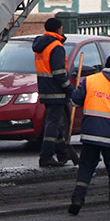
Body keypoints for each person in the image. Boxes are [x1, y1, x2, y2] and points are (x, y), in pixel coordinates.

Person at [68, 53, 110, 216]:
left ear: (105, 65)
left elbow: (74, 101)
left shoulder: (91, 80)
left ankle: (77, 199)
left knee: (86, 168)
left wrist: (77, 90)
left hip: (90, 134)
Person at [32, 18, 74, 168]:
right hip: (56, 91)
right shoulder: (56, 46)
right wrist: (71, 90)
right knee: (52, 123)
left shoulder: (41, 45)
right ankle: (46, 157)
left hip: (45, 89)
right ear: (58, 30)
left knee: (56, 122)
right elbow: (59, 73)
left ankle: (63, 153)